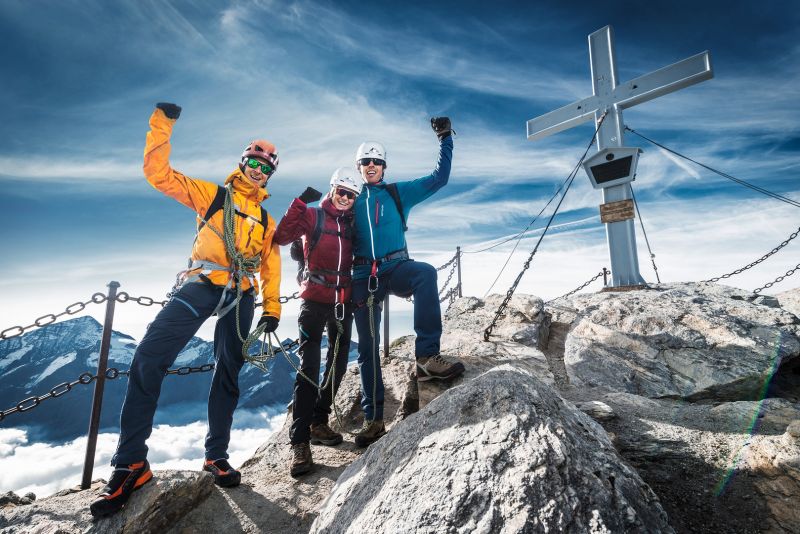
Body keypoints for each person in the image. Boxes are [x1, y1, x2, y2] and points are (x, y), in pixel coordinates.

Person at [90, 103, 282, 517]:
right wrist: (162, 124)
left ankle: (216, 456)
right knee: (149, 356)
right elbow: (159, 175)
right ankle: (131, 463)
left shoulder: (266, 220)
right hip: (202, 284)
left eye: (265, 168)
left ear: (269, 176)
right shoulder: (212, 196)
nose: (257, 171)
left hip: (241, 294)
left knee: (228, 372)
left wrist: (271, 308)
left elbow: (270, 264)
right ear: (242, 162)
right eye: (253, 162)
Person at [351, 117, 466, 448]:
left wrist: (445, 138)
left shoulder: (397, 194)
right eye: (365, 162)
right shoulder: (350, 198)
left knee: (425, 273)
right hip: (362, 277)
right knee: (368, 349)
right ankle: (373, 421)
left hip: (396, 267)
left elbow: (439, 179)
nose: (371, 166)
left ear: (383, 166)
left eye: (376, 161)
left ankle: (426, 357)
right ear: (358, 167)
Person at [274, 168, 360, 476]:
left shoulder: (352, 223)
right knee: (309, 368)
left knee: (336, 363)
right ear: (332, 188)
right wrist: (298, 203)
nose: (345, 198)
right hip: (312, 301)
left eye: (351, 195)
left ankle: (319, 422)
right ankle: (300, 443)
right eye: (341, 191)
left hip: (341, 302)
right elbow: (282, 236)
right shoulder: (312, 215)